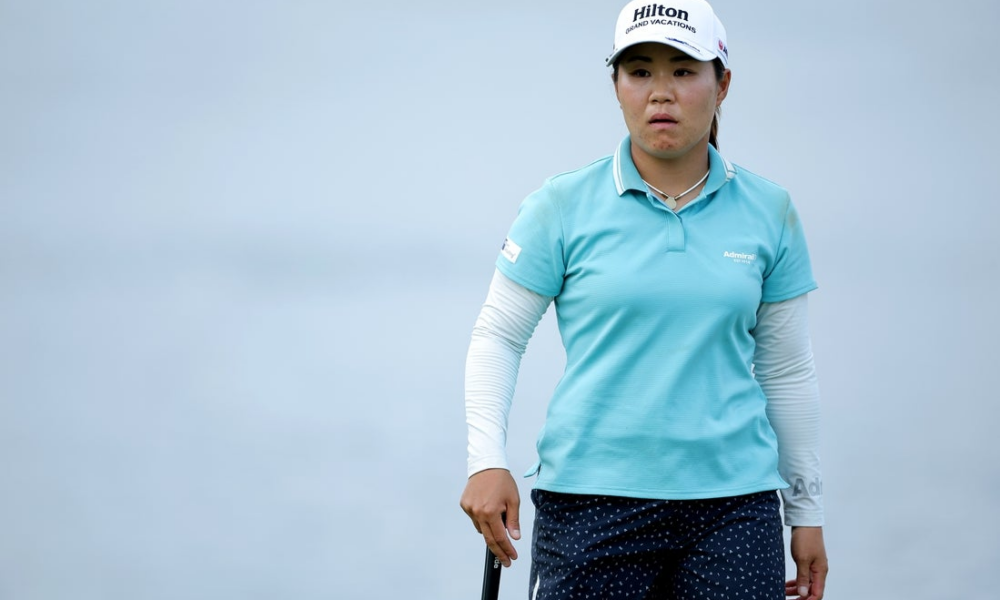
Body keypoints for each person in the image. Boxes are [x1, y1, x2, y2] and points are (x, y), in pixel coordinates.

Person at [460, 0, 829, 598]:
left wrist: (806, 513)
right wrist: (486, 460)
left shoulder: (770, 211)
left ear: (722, 85)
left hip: (734, 511)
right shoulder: (560, 205)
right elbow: (498, 336)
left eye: (683, 71)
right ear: (616, 86)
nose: (661, 92)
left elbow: (786, 370)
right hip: (589, 505)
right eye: (640, 72)